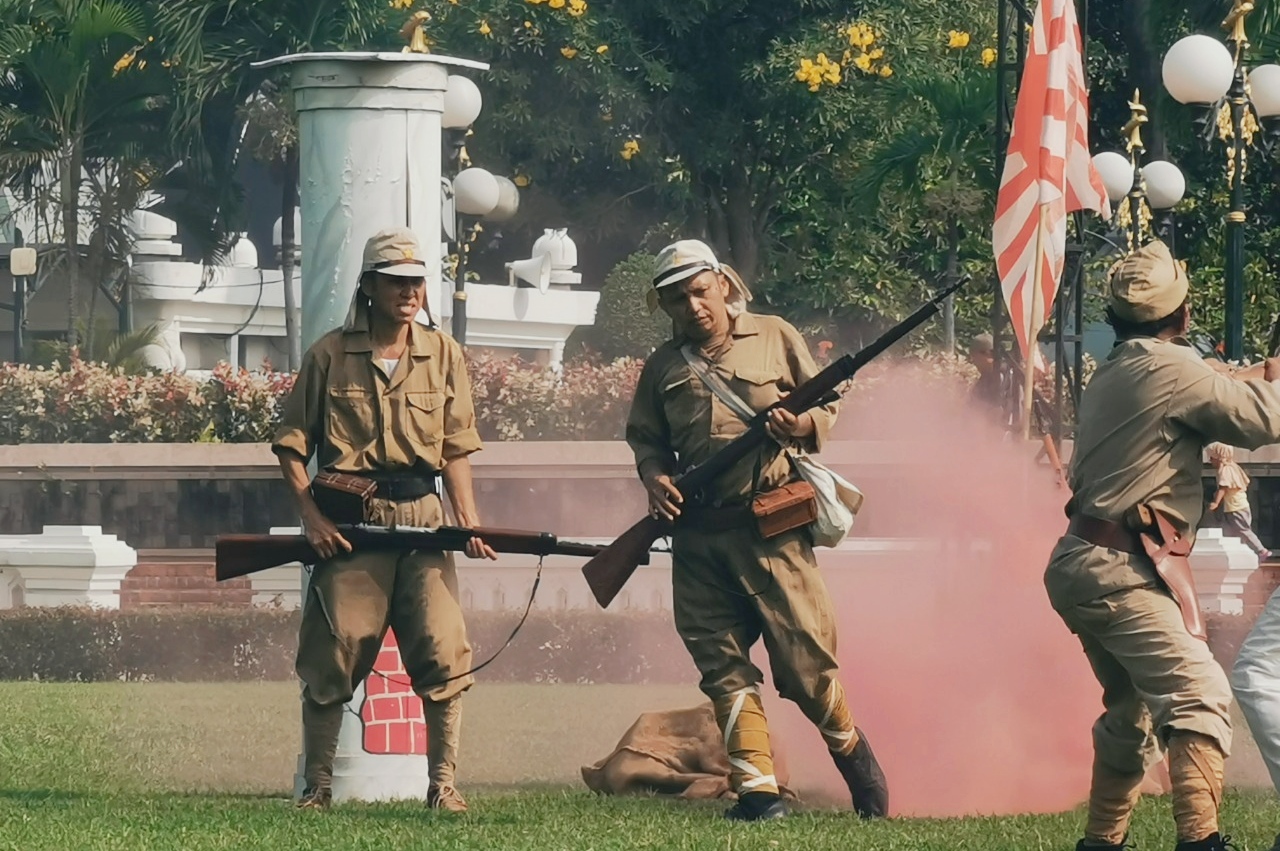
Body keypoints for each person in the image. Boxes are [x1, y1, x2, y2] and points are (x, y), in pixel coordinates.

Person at [625, 238, 889, 822]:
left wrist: (800, 422)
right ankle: (758, 792)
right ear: (665, 307)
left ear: (722, 284)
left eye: (699, 291)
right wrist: (655, 478)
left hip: (771, 528)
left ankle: (854, 758)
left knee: (806, 668)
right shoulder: (663, 367)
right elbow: (646, 439)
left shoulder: (774, 335)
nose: (693, 307)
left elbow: (829, 401)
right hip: (697, 537)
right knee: (721, 665)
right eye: (676, 299)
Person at [1044, 239, 1280, 851]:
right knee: (1201, 694)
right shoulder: (1171, 370)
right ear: (1183, 314)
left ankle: (1101, 844)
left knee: (1131, 716)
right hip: (1118, 568)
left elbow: (1214, 383)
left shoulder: (1126, 367)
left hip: (1091, 563)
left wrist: (1253, 374)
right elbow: (1262, 420)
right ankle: (1200, 844)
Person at [271, 226, 497, 813]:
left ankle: (442, 785)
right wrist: (312, 518)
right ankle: (316, 787)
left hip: (424, 520)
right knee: (333, 651)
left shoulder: (443, 353)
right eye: (395, 281)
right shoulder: (328, 354)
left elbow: (455, 449)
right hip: (354, 525)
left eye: (416, 281)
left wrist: (467, 521)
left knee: (444, 652)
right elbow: (292, 445)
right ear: (369, 287)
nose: (409, 292)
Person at [1206, 442, 1271, 560]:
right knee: (1233, 530)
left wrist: (1216, 503)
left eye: (1212, 457)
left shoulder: (1225, 470)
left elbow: (1223, 487)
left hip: (1236, 507)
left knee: (1243, 530)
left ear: (1218, 457)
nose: (1210, 461)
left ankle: (1261, 550)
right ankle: (1244, 553)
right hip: (1238, 506)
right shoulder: (1233, 467)